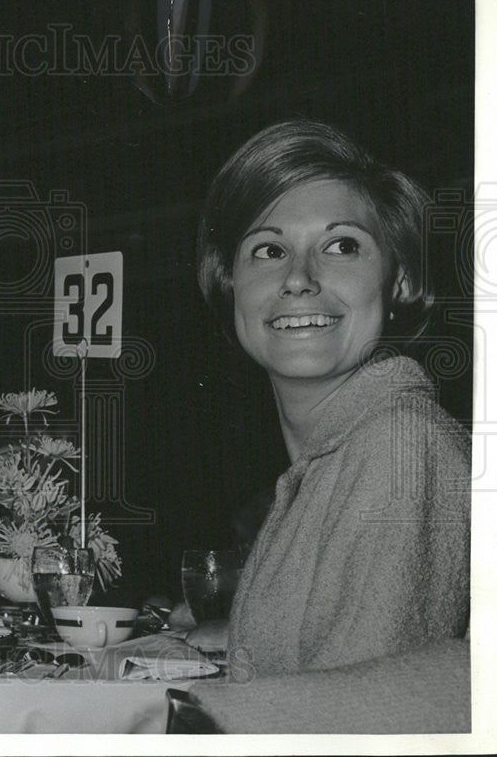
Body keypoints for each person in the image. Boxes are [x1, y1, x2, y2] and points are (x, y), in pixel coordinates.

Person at [195, 120, 470, 676]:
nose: (298, 278)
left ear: (398, 283)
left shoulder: (400, 448)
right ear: (232, 288)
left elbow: (361, 720)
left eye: (342, 245)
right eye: (268, 250)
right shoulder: (340, 454)